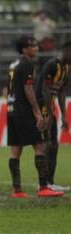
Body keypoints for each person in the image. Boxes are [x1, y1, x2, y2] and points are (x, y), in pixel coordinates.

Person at [6, 35, 64, 198]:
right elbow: (28, 89)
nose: (37, 48)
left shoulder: (14, 64)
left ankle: (17, 190)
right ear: (25, 50)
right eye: (33, 46)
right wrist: (37, 112)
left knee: (15, 150)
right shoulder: (27, 64)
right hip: (24, 111)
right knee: (39, 145)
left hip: (11, 110)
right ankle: (44, 186)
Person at [35, 41, 71, 192]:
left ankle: (49, 181)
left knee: (53, 145)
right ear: (67, 51)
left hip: (49, 109)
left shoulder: (66, 68)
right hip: (41, 108)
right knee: (45, 145)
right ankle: (43, 183)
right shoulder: (52, 65)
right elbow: (44, 91)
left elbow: (61, 92)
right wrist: (49, 115)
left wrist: (63, 115)